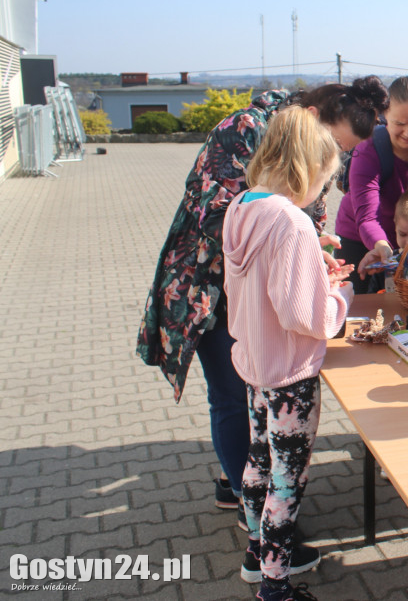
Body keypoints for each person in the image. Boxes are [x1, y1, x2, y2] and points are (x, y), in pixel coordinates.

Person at [136, 78, 388, 522]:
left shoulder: (304, 149)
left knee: (253, 408)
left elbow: (309, 213)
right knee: (231, 396)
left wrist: (315, 249)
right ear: (312, 120)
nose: (335, 159)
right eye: (335, 145)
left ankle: (247, 495)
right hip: (212, 286)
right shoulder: (244, 128)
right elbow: (216, 211)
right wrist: (299, 246)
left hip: (263, 285)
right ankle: (256, 518)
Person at [223, 106, 352, 601]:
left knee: (258, 460)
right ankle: (276, 588)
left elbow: (261, 275)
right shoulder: (291, 222)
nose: (322, 194)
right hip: (290, 375)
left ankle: (256, 556)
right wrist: (340, 296)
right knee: (287, 481)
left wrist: (308, 252)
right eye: (324, 183)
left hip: (255, 364)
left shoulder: (245, 206)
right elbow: (305, 316)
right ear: (309, 169)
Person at [334, 75, 408, 293]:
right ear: (385, 115)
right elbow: (367, 217)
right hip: (362, 241)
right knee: (359, 309)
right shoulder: (368, 149)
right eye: (399, 123)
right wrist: (381, 246)